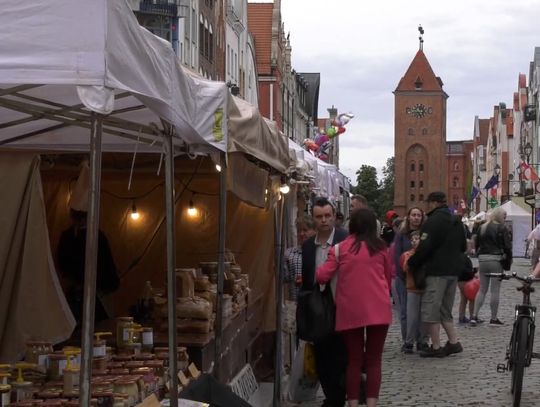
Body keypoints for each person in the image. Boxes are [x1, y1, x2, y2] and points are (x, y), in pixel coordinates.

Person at [316, 208, 392, 407]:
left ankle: (352, 403)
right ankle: (372, 403)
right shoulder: (381, 247)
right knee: (374, 359)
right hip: (379, 308)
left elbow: (322, 276)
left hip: (350, 310)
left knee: (354, 360)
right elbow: (388, 277)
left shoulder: (340, 248)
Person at [300, 197, 348, 407]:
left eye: (327, 215)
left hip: (341, 305)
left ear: (334, 215)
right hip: (317, 308)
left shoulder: (345, 240)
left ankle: (338, 396)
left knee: (340, 354)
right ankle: (331, 395)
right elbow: (307, 279)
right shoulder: (308, 246)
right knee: (321, 354)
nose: (324, 220)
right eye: (319, 217)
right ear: (313, 218)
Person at [408, 191, 465, 358]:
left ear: (433, 203)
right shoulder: (456, 221)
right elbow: (463, 246)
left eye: (429, 202)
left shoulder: (432, 221)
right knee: (445, 310)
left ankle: (436, 346)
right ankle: (454, 342)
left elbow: (425, 247)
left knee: (431, 309)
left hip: (436, 272)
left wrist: (412, 263)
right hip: (453, 272)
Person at [57, 208, 120, 326]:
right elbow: (63, 264)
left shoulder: (96, 236)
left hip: (94, 293)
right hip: (78, 293)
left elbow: (105, 265)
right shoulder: (70, 237)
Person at [470, 207, 512, 326]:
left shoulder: (482, 227)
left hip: (483, 259)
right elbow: (507, 247)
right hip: (496, 259)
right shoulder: (502, 228)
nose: (505, 219)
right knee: (495, 290)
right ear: (499, 216)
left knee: (482, 289)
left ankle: (474, 316)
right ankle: (493, 318)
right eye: (504, 216)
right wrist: (508, 261)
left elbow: (477, 244)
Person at [391, 206, 425, 349]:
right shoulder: (401, 234)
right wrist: (403, 274)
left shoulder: (425, 234)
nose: (416, 217)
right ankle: (407, 340)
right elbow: (396, 255)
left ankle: (421, 340)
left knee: (421, 311)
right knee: (405, 312)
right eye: (414, 215)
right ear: (409, 217)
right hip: (403, 277)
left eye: (419, 215)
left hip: (421, 278)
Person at [400, 230, 429, 353]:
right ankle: (409, 342)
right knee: (412, 317)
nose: (414, 241)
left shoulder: (428, 254)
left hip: (425, 288)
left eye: (417, 239)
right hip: (412, 287)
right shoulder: (407, 254)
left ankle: (423, 341)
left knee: (424, 317)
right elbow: (405, 267)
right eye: (412, 240)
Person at [283, 216, 316, 301]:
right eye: (299, 231)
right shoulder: (289, 254)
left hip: (316, 304)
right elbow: (283, 279)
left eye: (305, 230)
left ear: (314, 231)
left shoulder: (320, 253)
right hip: (295, 304)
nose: (301, 234)